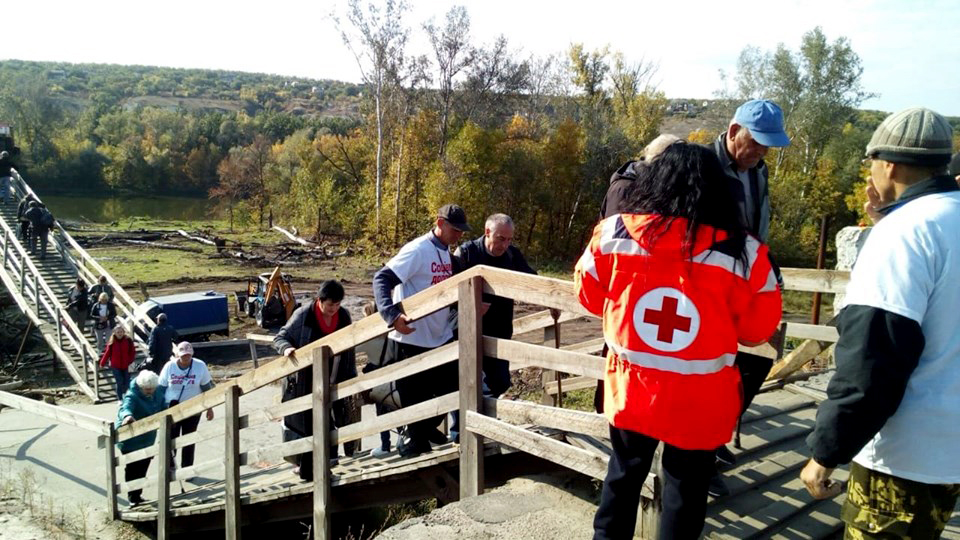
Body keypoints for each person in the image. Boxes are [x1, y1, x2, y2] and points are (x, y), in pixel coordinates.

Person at [575, 143, 782, 540]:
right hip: (701, 400)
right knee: (686, 494)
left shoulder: (615, 232)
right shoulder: (745, 253)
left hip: (633, 389)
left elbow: (588, 294)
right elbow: (758, 330)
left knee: (621, 478)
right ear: (718, 190)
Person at [801, 107, 960, 538]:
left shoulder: (905, 233)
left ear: (887, 163)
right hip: (950, 450)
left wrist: (827, 451)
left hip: (904, 453)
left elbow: (873, 357)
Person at [704, 98, 790, 496]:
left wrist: (768, 270)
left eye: (767, 146)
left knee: (754, 360)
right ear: (734, 129)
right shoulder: (703, 165)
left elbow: (759, 224)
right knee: (711, 370)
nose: (761, 152)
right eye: (756, 142)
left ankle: (715, 434)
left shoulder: (759, 170)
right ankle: (700, 458)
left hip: (749, 278)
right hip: (712, 283)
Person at [595, 134, 683, 414]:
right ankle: (608, 406)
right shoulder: (625, 189)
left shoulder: (655, 186)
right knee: (617, 348)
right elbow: (614, 240)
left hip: (647, 289)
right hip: (627, 286)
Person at [371, 203, 469, 458]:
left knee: (454, 388)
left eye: (461, 231)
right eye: (455, 230)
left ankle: (421, 432)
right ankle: (413, 442)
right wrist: (391, 316)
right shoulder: (418, 250)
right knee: (415, 401)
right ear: (439, 223)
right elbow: (382, 279)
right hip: (411, 338)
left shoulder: (448, 255)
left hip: (440, 335)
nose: (459, 235)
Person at [447, 213, 541, 442]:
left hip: (499, 330)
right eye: (501, 238)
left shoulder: (511, 255)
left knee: (499, 381)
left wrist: (548, 300)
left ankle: (480, 424)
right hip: (467, 330)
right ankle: (460, 434)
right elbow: (447, 291)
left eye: (509, 239)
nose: (505, 244)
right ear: (487, 232)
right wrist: (469, 305)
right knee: (465, 381)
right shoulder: (467, 253)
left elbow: (531, 279)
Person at [273, 280, 358, 481]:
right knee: (308, 425)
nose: (334, 309)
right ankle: (310, 470)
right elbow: (281, 337)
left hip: (334, 375)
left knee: (333, 420)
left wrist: (352, 377)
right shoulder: (304, 315)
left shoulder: (343, 316)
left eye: (337, 305)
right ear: (320, 301)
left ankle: (328, 462)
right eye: (330, 305)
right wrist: (287, 349)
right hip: (305, 381)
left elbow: (350, 347)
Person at [158, 341, 215, 475]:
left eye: (188, 355)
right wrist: (159, 408)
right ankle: (170, 468)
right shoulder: (169, 366)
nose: (186, 358)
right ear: (177, 355)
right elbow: (161, 389)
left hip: (193, 408)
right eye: (183, 355)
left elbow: (207, 387)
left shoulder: (200, 366)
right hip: (172, 408)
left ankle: (187, 469)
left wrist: (209, 408)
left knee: (189, 439)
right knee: (172, 439)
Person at [115, 370, 166, 506]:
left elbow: (163, 407)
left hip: (148, 436)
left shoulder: (157, 393)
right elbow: (125, 408)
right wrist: (127, 416)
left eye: (151, 389)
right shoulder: (132, 395)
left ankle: (137, 495)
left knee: (144, 465)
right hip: (130, 437)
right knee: (133, 467)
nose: (149, 392)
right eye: (146, 390)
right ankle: (132, 497)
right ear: (140, 387)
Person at [99, 325, 136, 398]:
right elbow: (107, 353)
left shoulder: (128, 340)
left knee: (126, 382)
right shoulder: (112, 342)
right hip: (115, 365)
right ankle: (120, 398)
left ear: (124, 332)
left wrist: (130, 360)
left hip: (127, 365)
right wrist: (102, 363)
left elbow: (132, 352)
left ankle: (125, 395)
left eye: (121, 332)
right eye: (118, 332)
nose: (120, 333)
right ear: (114, 333)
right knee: (119, 382)